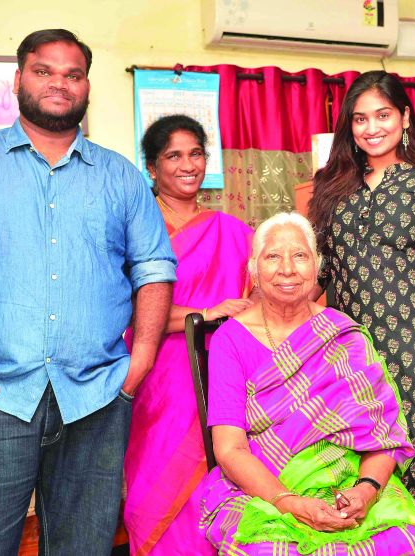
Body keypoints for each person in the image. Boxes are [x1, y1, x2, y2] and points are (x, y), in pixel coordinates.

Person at [0, 29, 176, 555]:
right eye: (44, 71)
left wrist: (137, 364)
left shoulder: (119, 176)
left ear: (86, 86)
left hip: (97, 397)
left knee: (84, 548)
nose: (59, 84)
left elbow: (154, 269)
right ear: (18, 78)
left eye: (72, 74)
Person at [202, 212, 415, 555]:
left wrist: (366, 491)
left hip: (346, 482)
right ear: (253, 269)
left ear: (317, 266)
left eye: (299, 255)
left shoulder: (345, 335)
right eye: (272, 257)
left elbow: (384, 436)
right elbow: (229, 449)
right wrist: (289, 502)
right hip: (266, 489)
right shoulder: (230, 340)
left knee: (405, 542)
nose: (287, 269)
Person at [308, 70, 415, 555]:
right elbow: (320, 277)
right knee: (360, 489)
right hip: (353, 365)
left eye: (383, 115)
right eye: (360, 119)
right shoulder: (332, 187)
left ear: (404, 117)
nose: (371, 128)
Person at [123, 115, 254, 555]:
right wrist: (207, 312)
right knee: (152, 491)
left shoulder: (233, 232)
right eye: (173, 155)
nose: (187, 164)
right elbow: (129, 310)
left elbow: (263, 293)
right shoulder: (136, 230)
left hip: (224, 374)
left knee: (222, 477)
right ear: (152, 167)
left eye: (195, 153)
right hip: (158, 376)